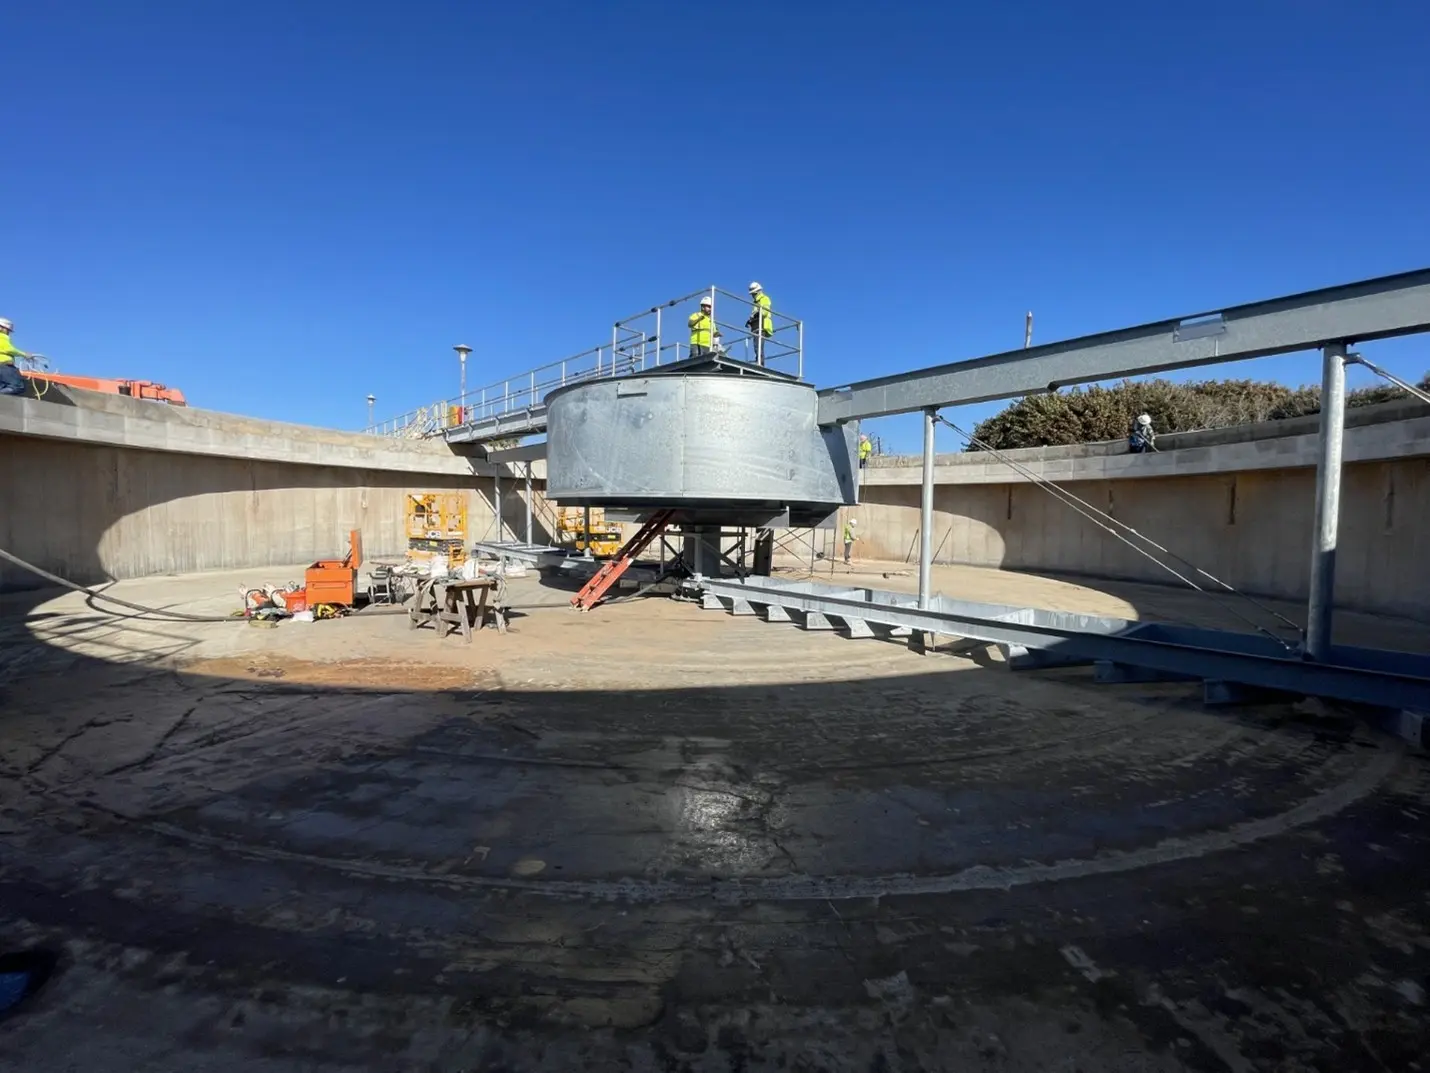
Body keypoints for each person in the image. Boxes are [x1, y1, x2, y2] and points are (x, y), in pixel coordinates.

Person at [0, 318, 29, 397]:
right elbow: (8, 349)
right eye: (7, 330)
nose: (8, 333)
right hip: (4, 365)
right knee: (18, 386)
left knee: (3, 386)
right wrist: (24, 354)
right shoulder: (2, 336)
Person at [746, 281, 772, 364]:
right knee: (756, 346)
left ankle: (760, 363)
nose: (753, 296)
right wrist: (750, 321)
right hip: (756, 325)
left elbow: (764, 312)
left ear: (758, 292)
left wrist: (754, 315)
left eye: (754, 294)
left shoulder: (764, 299)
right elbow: (756, 313)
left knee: (758, 346)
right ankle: (759, 361)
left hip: (762, 325)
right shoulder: (756, 302)